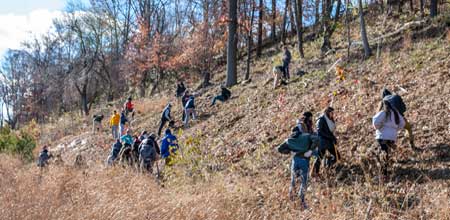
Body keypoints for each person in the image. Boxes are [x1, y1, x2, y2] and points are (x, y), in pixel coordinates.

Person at [277, 123, 318, 209]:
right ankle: (301, 201)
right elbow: (316, 139)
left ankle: (292, 200)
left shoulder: (289, 140)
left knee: (293, 181)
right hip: (304, 161)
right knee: (304, 181)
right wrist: (310, 150)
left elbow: (279, 149)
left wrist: (290, 152)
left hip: (295, 161)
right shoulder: (306, 136)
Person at [373, 99, 405, 176]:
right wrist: (395, 129)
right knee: (386, 153)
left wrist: (379, 127)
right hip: (392, 137)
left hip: (382, 136)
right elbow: (402, 123)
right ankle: (386, 170)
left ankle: (383, 173)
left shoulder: (383, 112)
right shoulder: (395, 113)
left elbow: (375, 122)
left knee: (381, 154)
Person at [312, 107, 340, 175]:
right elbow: (320, 131)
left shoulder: (329, 120)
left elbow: (330, 132)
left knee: (337, 157)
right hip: (322, 142)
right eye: (331, 113)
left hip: (329, 141)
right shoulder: (321, 120)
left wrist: (333, 138)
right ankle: (315, 173)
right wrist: (331, 137)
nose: (333, 114)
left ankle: (328, 166)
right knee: (319, 158)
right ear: (328, 112)